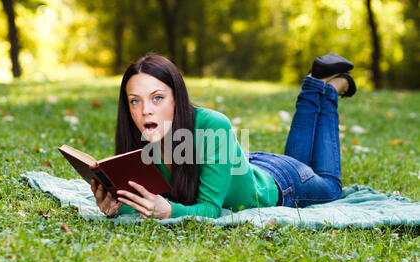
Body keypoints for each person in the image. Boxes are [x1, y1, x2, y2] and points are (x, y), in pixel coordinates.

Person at [90, 53, 356, 220]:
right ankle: (316, 85)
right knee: (299, 160)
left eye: (157, 98)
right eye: (134, 101)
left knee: (331, 186)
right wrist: (116, 205)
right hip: (241, 164)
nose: (145, 110)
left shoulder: (213, 125)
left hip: (281, 184)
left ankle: (328, 89)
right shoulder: (139, 138)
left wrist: (169, 212)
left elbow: (209, 210)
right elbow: (146, 202)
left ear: (176, 98)